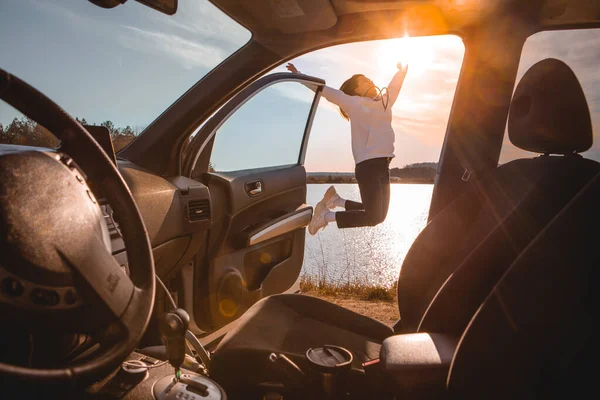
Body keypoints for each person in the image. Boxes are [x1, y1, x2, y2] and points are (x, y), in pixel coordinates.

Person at [286, 62, 408, 235]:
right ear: (356, 90)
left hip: (383, 165)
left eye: (370, 79)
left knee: (379, 217)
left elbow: (394, 87)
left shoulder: (384, 103)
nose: (371, 82)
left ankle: (337, 200)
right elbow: (324, 91)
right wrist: (299, 74)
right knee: (373, 216)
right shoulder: (353, 103)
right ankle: (326, 216)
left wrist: (402, 72)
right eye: (365, 81)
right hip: (368, 166)